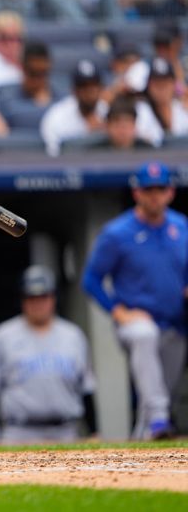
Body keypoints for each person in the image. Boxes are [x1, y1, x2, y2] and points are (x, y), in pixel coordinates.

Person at [83, 161, 187, 440]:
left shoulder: (182, 227)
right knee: (144, 336)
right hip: (137, 321)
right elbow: (91, 280)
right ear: (137, 193)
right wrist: (118, 312)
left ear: (170, 192)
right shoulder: (117, 233)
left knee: (158, 391)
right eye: (148, 189)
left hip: (176, 324)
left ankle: (146, 438)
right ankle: (159, 420)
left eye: (160, 189)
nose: (155, 195)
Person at [0, 266, 95, 444]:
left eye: (43, 296)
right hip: (17, 432)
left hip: (66, 431)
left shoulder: (73, 335)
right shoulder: (2, 336)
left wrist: (94, 431)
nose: (38, 303)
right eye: (31, 297)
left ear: (53, 298)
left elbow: (87, 389)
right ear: (23, 300)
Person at [41, 59, 107, 157]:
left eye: (94, 85)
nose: (90, 91)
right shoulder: (57, 116)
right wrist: (88, 135)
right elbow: (52, 155)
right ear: (74, 90)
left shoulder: (109, 112)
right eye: (83, 86)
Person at [0, 41, 64, 131]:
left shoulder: (62, 97)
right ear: (22, 67)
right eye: (33, 73)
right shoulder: (4, 95)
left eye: (43, 73)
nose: (37, 80)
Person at [145, 57, 188, 137]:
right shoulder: (140, 110)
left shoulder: (183, 109)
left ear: (173, 84)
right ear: (148, 86)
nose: (161, 88)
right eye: (156, 84)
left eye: (165, 84)